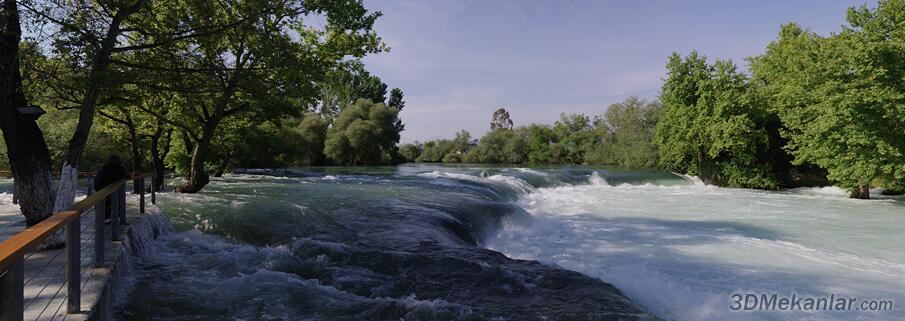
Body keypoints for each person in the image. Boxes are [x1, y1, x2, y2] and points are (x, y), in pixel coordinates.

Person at [94, 155, 130, 221]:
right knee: (111, 206)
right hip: (109, 191)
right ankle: (111, 220)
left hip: (101, 191)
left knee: (105, 208)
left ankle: (106, 220)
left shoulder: (104, 168)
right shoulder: (119, 169)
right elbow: (127, 175)